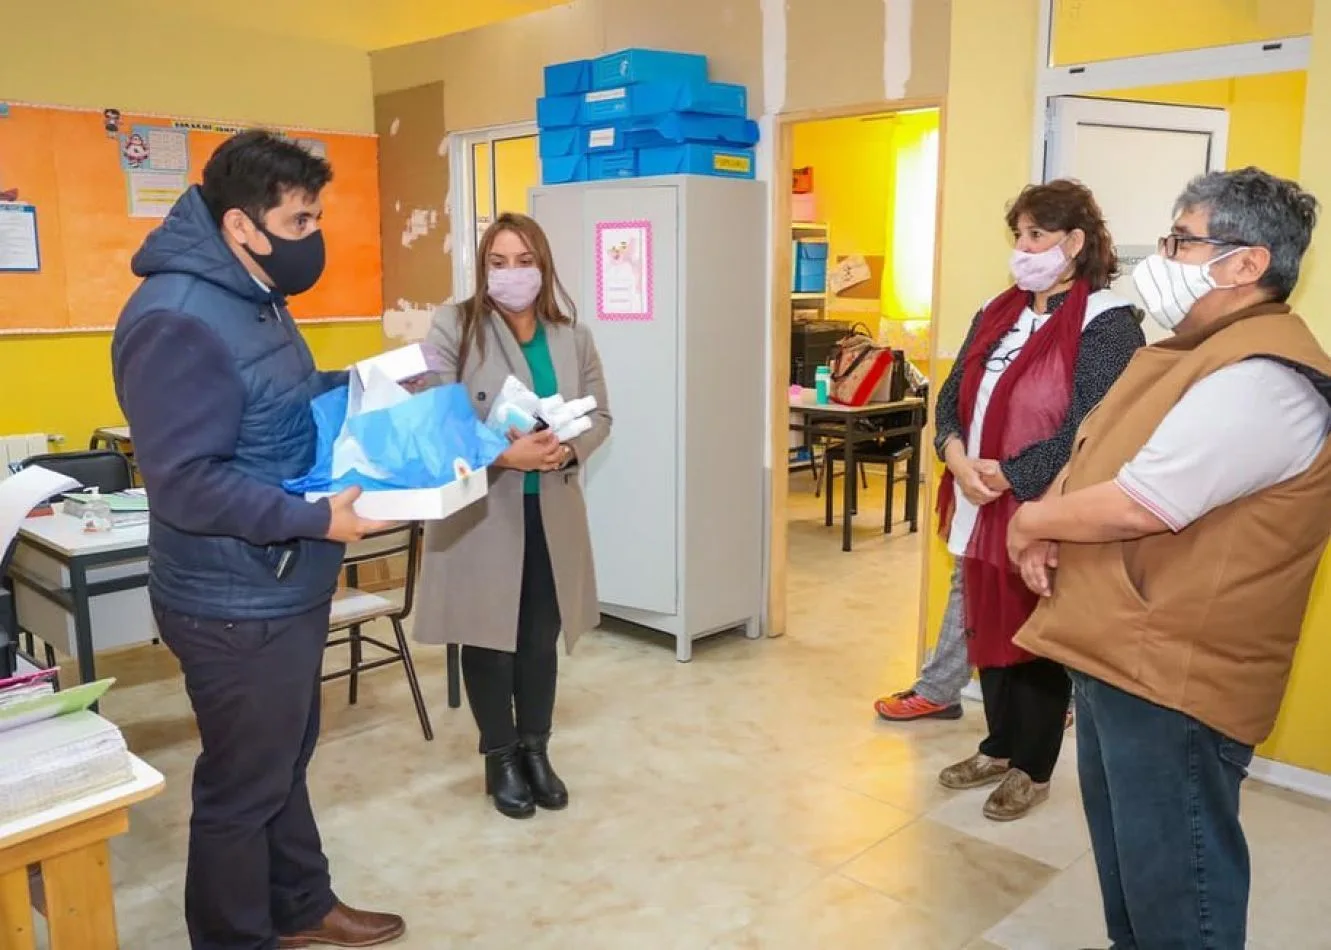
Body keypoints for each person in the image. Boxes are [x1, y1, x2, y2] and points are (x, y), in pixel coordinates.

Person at [1010, 168, 1331, 948]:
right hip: (1123, 652)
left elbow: (1143, 501)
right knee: (1132, 873)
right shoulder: (1197, 352)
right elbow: (1106, 456)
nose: (1161, 257)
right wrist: (1055, 513)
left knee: (1177, 890)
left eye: (1180, 241)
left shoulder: (1260, 378)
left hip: (1175, 677)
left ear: (1246, 263)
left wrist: (1032, 519)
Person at [112, 130, 405, 950]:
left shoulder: (252, 296)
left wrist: (370, 383)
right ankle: (235, 936)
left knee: (284, 759)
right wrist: (320, 520)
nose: (313, 235)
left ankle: (300, 905)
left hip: (280, 583)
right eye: (302, 219)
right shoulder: (178, 320)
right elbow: (186, 482)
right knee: (243, 786)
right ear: (243, 225)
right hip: (233, 598)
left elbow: (284, 402)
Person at [877, 179, 1144, 821]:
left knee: (1033, 637)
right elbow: (949, 399)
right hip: (975, 495)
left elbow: (1090, 424)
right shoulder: (998, 312)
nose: (1022, 248)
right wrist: (955, 455)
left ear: (1075, 243)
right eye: (1018, 235)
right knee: (985, 625)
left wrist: (1011, 474)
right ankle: (997, 747)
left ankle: (1033, 767)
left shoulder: (1109, 324)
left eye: (1036, 235)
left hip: (1041, 505)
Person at [413, 213, 611, 819]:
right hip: (482, 511)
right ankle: (499, 756)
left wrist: (566, 449)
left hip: (550, 510)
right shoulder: (456, 324)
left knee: (537, 640)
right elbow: (436, 409)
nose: (512, 273)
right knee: (488, 636)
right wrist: (505, 453)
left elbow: (601, 414)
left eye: (524, 260)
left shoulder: (570, 336)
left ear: (544, 266)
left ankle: (536, 750)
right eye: (498, 262)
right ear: (482, 269)